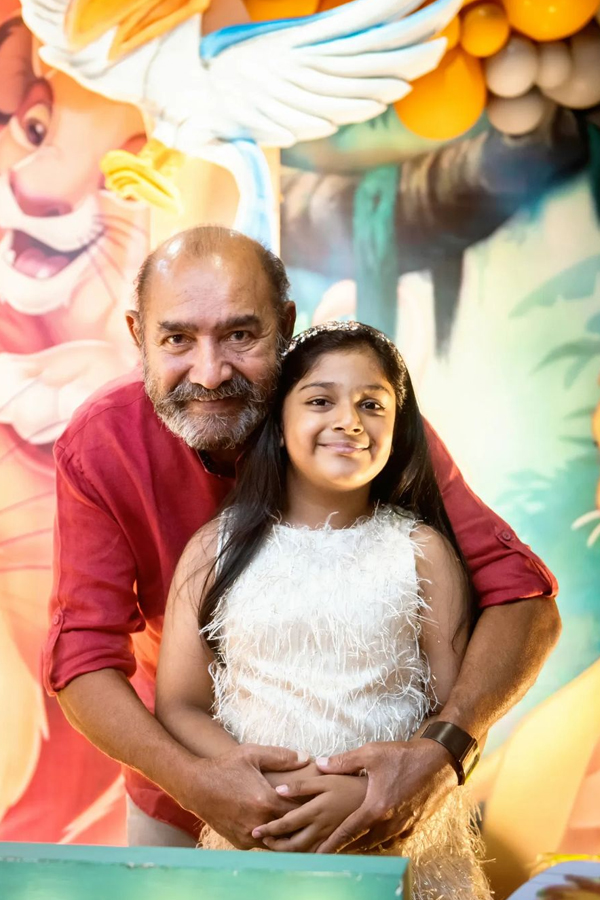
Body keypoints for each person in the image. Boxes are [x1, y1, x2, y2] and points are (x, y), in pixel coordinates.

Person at [44, 225, 560, 850]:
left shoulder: (355, 424)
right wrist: (193, 780)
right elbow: (83, 655)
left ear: (284, 325)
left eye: (241, 335)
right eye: (177, 338)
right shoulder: (101, 446)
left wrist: (439, 751)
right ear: (138, 337)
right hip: (177, 777)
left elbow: (522, 597)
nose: (210, 373)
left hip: (380, 804)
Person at [155, 321, 493, 898]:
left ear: (398, 427)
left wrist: (369, 792)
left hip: (398, 845)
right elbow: (180, 704)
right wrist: (266, 785)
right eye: (319, 401)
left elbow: (454, 710)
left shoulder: (422, 552)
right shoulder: (216, 550)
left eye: (372, 404)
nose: (349, 421)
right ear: (278, 422)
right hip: (263, 834)